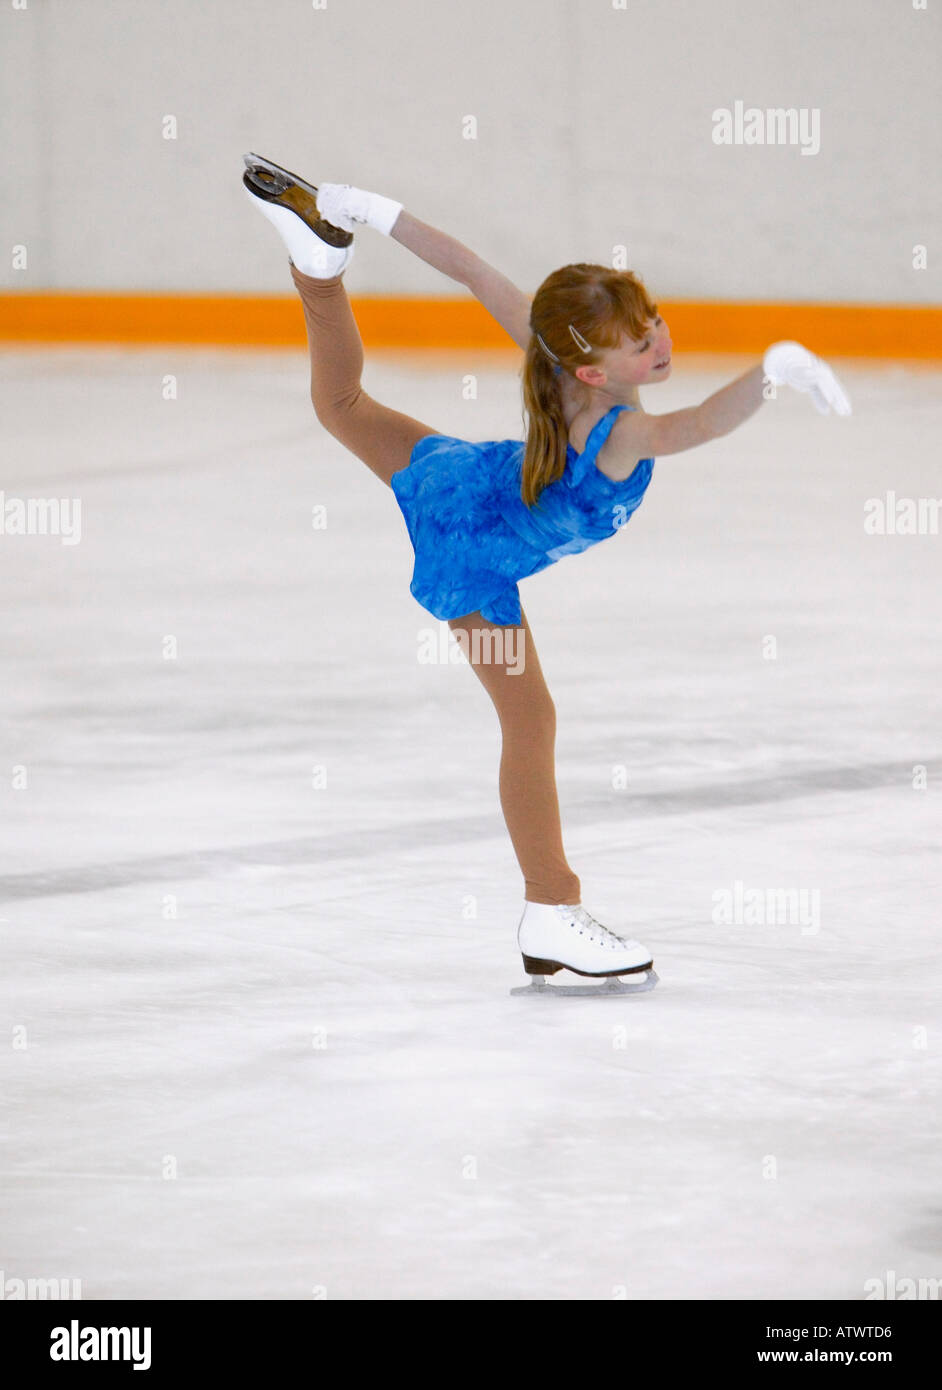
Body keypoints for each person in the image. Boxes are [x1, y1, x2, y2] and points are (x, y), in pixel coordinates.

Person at [241, 153, 851, 996]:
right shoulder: (622, 431)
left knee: (343, 406)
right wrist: (771, 374)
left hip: (469, 481)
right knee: (530, 720)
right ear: (594, 373)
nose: (662, 342)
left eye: (657, 321)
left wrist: (373, 211)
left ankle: (318, 261)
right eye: (643, 342)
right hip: (473, 552)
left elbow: (470, 270)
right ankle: (551, 910)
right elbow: (700, 425)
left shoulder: (561, 359)